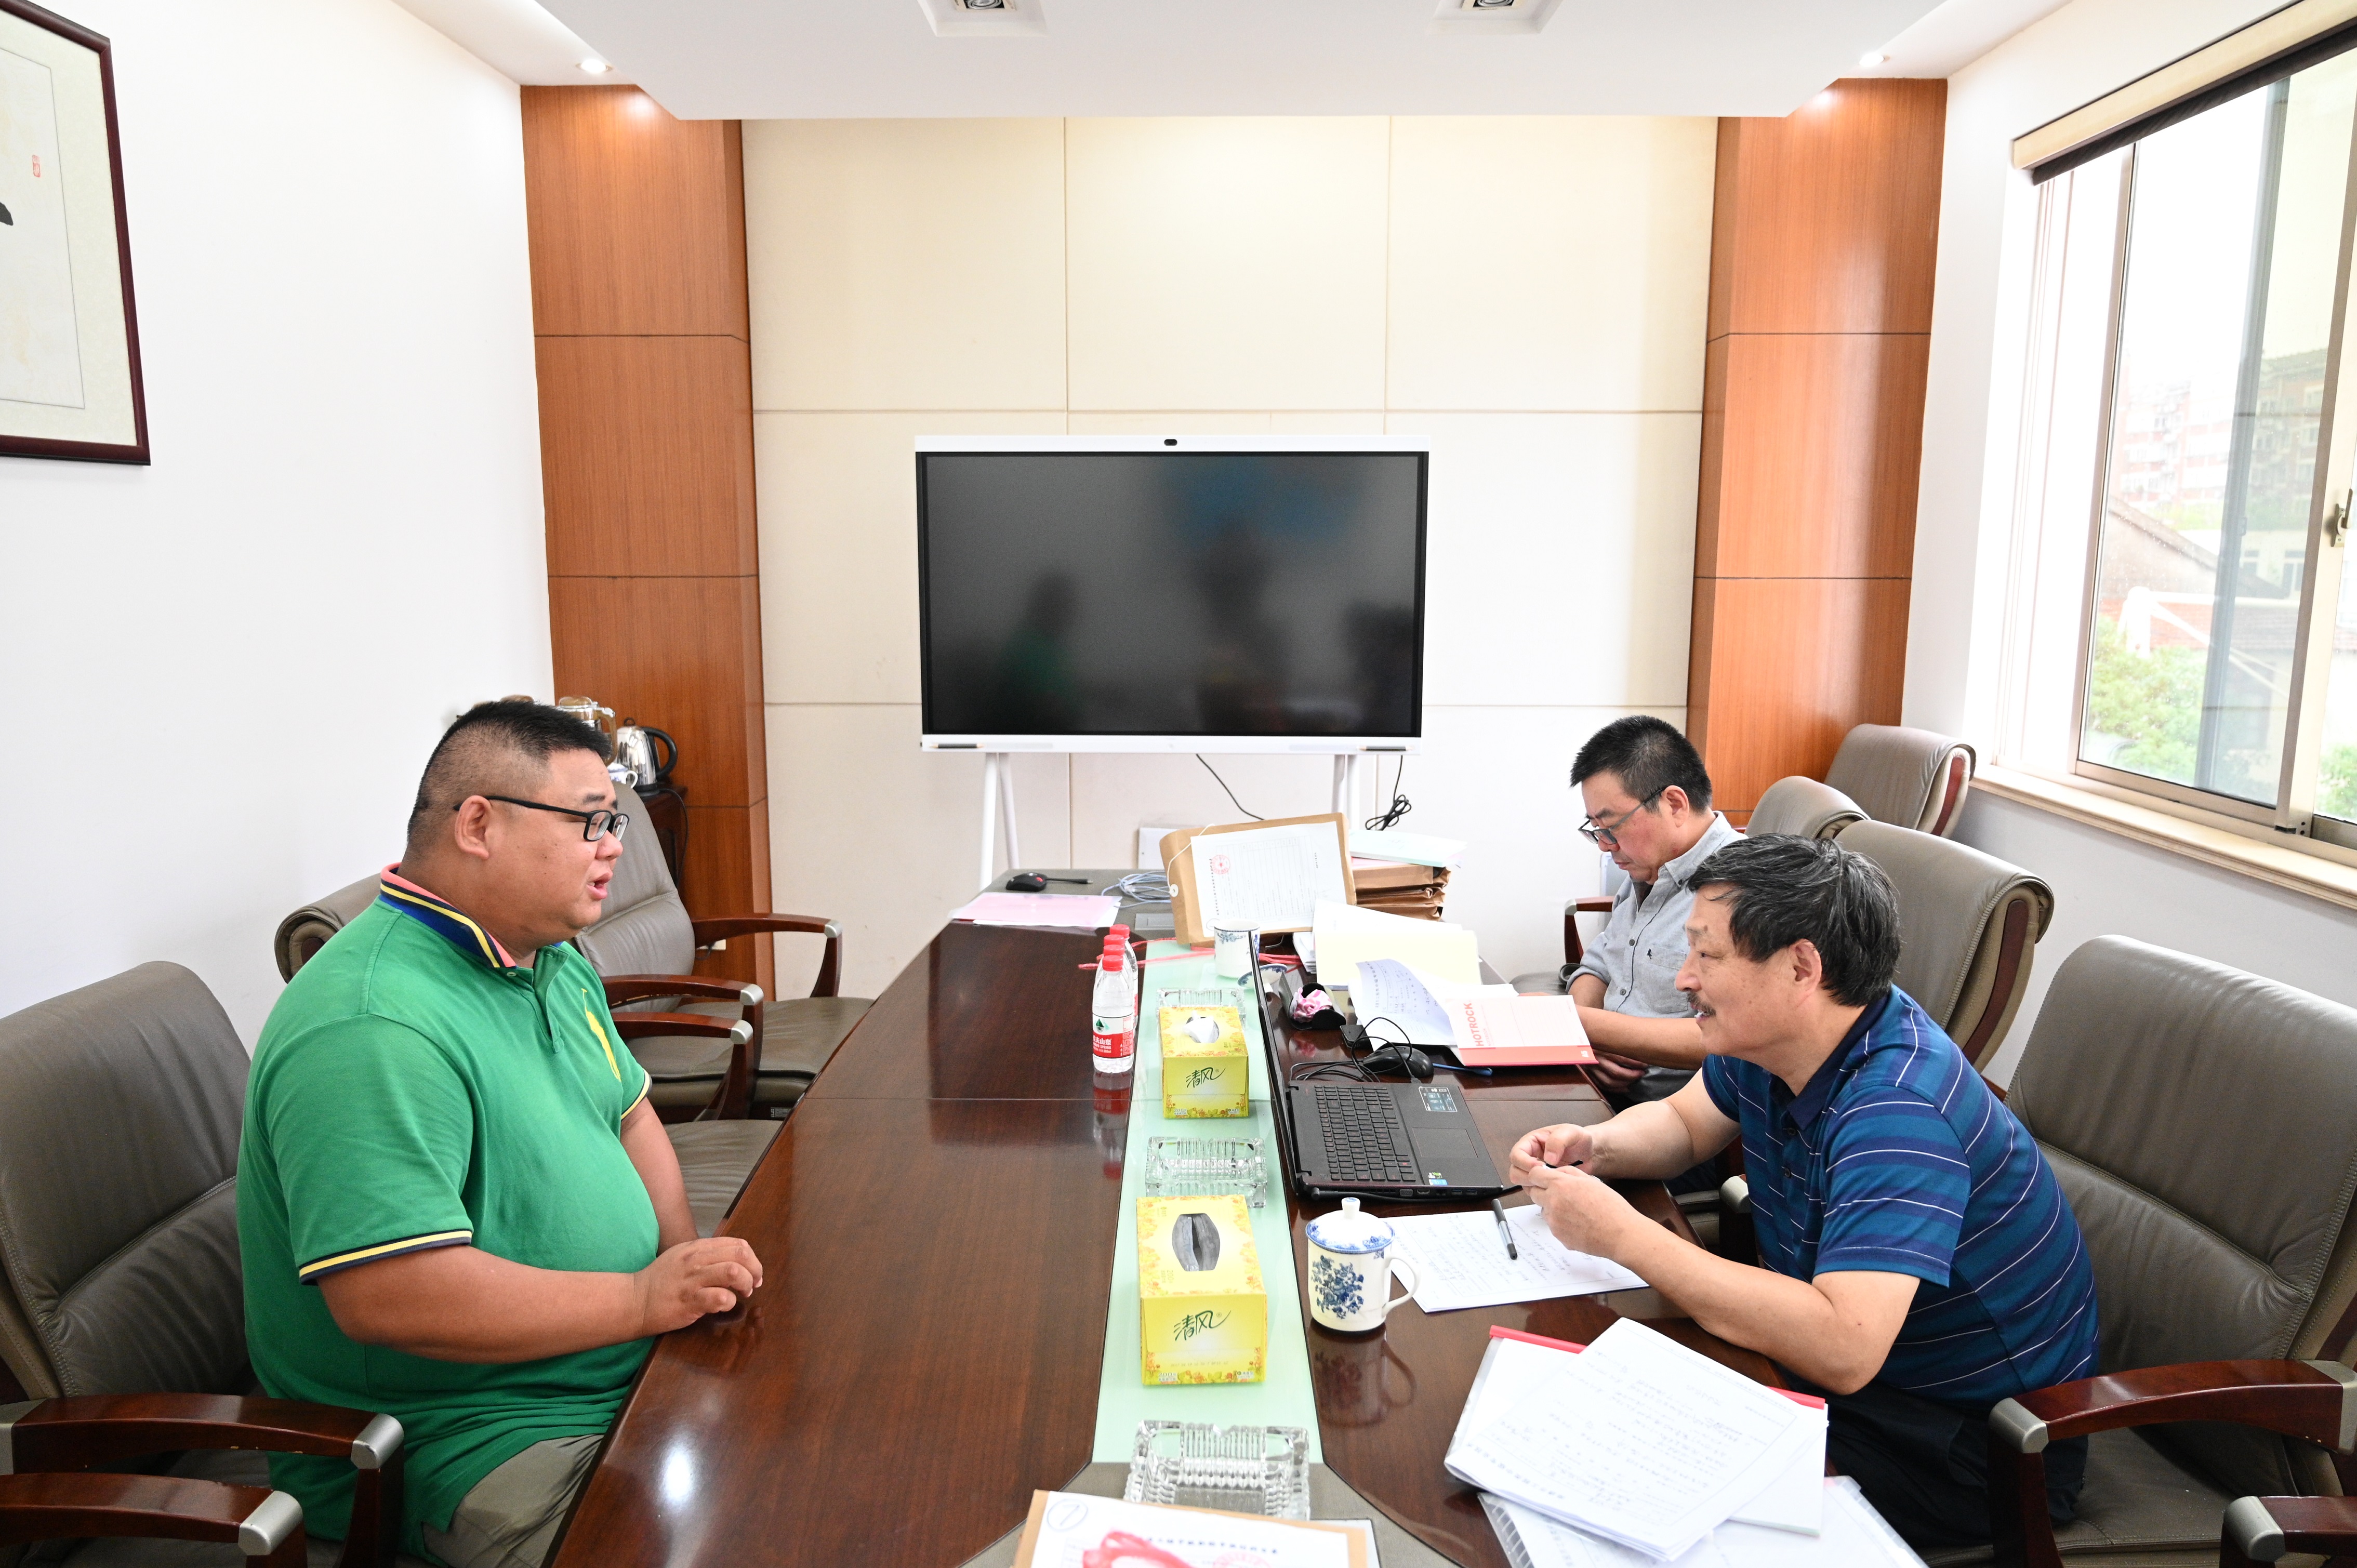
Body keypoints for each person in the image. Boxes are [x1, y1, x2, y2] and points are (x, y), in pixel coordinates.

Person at [239, 701, 765, 1568]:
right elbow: (391, 1293)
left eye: (616, 821)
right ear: (479, 824)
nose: (614, 846)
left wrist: (682, 1266)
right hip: (476, 1437)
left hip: (621, 1366)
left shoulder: (544, 955)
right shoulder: (373, 1023)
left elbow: (628, 1110)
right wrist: (641, 1299)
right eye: (591, 821)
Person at [1508, 834, 2097, 1551]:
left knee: (1637, 1486)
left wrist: (1622, 1236)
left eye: (1707, 956)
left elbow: (1845, 1346)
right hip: (1863, 1385)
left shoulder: (1898, 1112)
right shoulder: (1792, 1032)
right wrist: (1595, 1146)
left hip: (1966, 1445)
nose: (1686, 978)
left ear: (1801, 967)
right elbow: (1685, 1122)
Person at [1560, 715, 1741, 1105]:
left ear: (1674, 804)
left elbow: (1733, 1037)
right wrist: (1584, 1043)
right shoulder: (1648, 866)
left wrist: (1582, 1027)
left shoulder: (1740, 890)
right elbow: (1599, 965)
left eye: (1611, 826)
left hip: (1671, 1117)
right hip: (1594, 1080)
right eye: (1595, 829)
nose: (1605, 845)